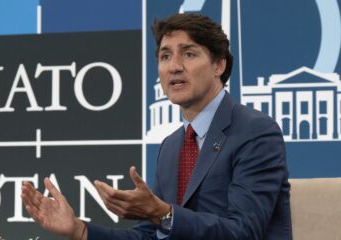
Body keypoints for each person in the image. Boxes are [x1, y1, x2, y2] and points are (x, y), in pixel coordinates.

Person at [21, 13, 292, 240]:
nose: (174, 67)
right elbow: (148, 236)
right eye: (164, 56)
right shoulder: (172, 146)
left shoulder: (255, 132)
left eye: (188, 54)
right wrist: (80, 230)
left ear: (219, 64)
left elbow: (243, 233)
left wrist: (164, 213)